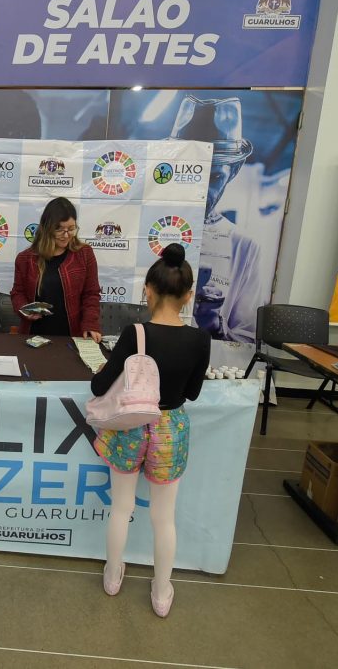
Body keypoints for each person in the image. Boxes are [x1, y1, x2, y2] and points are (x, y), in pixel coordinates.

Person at [89, 243, 211, 618]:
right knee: (164, 517)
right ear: (189, 296)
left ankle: (113, 576)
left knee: (120, 507)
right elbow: (192, 392)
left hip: (129, 426)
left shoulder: (135, 333)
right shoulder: (200, 339)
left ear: (148, 291)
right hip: (170, 428)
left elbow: (100, 387)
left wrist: (105, 366)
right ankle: (161, 592)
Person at [167, 96, 259, 343]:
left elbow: (246, 337)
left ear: (234, 171)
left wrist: (214, 325)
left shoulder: (243, 246)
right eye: (192, 175)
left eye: (215, 177)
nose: (201, 190)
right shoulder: (146, 229)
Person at [10, 197, 102, 342]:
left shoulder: (85, 253)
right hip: (33, 336)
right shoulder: (25, 258)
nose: (66, 235)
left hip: (72, 336)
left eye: (71, 229)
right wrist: (25, 309)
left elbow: (91, 294)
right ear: (47, 228)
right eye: (59, 229)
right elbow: (17, 293)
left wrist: (90, 323)